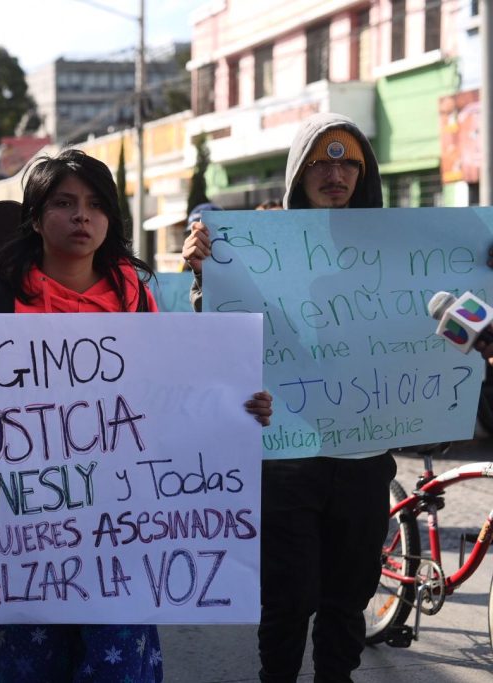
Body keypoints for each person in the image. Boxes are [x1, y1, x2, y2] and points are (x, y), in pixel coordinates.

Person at [0, 149, 273, 682]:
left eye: (94, 204)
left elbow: (170, 396)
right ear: (37, 217)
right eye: (64, 203)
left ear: (111, 217)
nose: (81, 216)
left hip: (123, 538)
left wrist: (236, 409)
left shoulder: (137, 301)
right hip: (17, 546)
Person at [183, 112, 395, 682]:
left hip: (364, 457)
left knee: (348, 598)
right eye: (322, 161)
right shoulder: (255, 245)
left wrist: (481, 269)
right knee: (287, 599)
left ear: (364, 172)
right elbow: (222, 334)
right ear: (299, 172)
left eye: (349, 160)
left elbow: (440, 319)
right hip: (286, 456)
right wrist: (205, 276)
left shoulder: (400, 250)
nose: (337, 173)